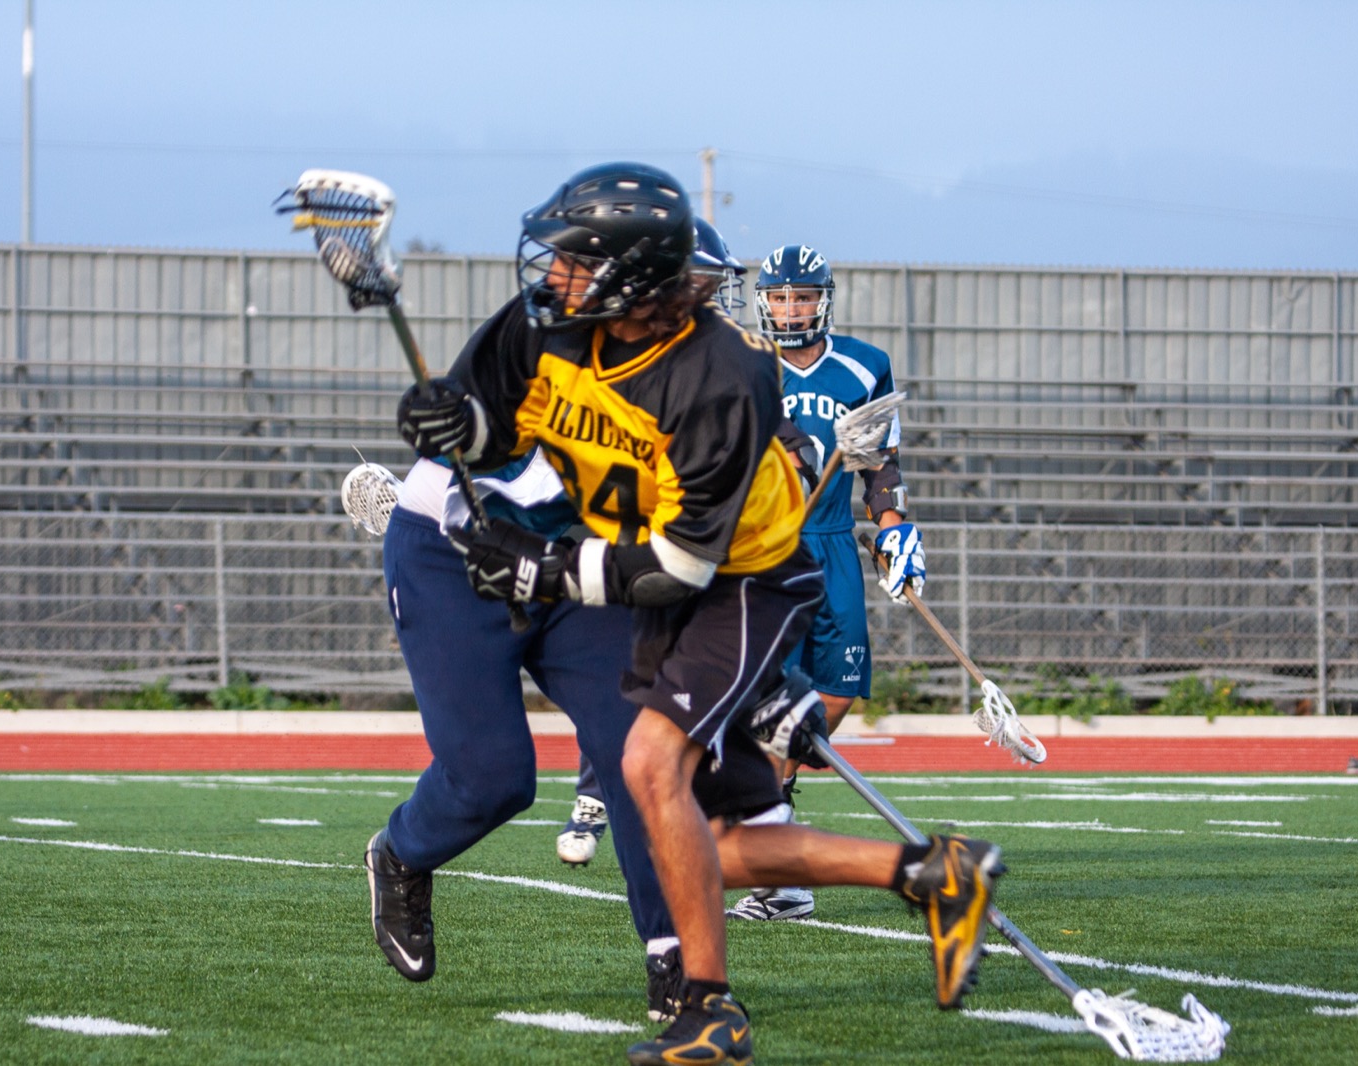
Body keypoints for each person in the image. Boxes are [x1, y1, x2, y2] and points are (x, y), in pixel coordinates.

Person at [392, 162, 1004, 1064]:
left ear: (634, 279)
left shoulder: (720, 377)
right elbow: (497, 430)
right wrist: (453, 427)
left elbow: (680, 565)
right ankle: (933, 875)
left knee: (645, 763)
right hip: (671, 588)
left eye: (574, 260)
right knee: (720, 841)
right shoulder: (547, 326)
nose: (551, 275)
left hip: (744, 586)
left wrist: (546, 572)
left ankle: (709, 1008)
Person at [367, 447, 684, 1021]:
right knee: (494, 779)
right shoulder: (545, 356)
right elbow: (468, 411)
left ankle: (675, 960)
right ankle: (402, 852)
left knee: (643, 745)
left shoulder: (705, 371)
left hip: (577, 550)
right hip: (456, 549)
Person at [726, 244, 924, 923]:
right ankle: (778, 869)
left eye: (801, 296)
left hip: (836, 542)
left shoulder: (864, 367)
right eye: (778, 297)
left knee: (838, 692)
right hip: (768, 544)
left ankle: (773, 811)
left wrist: (894, 529)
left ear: (823, 299)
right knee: (767, 700)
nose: (790, 309)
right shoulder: (745, 360)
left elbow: (881, 465)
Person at [554, 217, 749, 871]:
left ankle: (734, 810)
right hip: (626, 552)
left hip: (696, 554)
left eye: (712, 288)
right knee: (619, 682)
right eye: (694, 286)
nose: (709, 302)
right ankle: (594, 796)